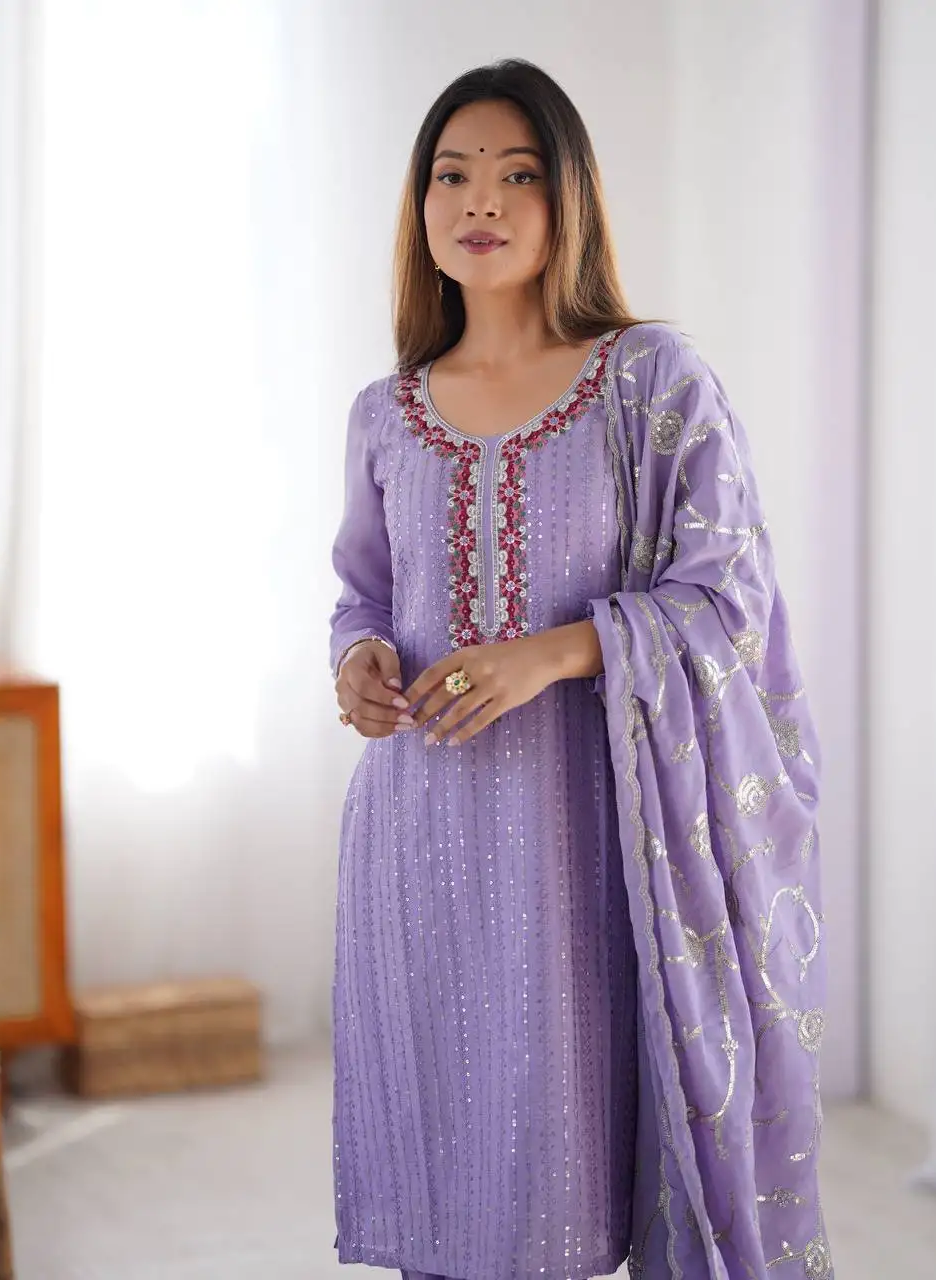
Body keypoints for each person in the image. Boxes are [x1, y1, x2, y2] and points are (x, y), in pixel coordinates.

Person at [328, 58, 831, 1280]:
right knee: (444, 1165)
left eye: (517, 175)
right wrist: (357, 659)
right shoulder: (385, 412)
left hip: (586, 841)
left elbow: (728, 596)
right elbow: (362, 591)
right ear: (419, 203)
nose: (478, 200)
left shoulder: (648, 382)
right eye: (451, 175)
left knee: (560, 1180)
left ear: (569, 202)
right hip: (418, 834)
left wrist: (554, 653)